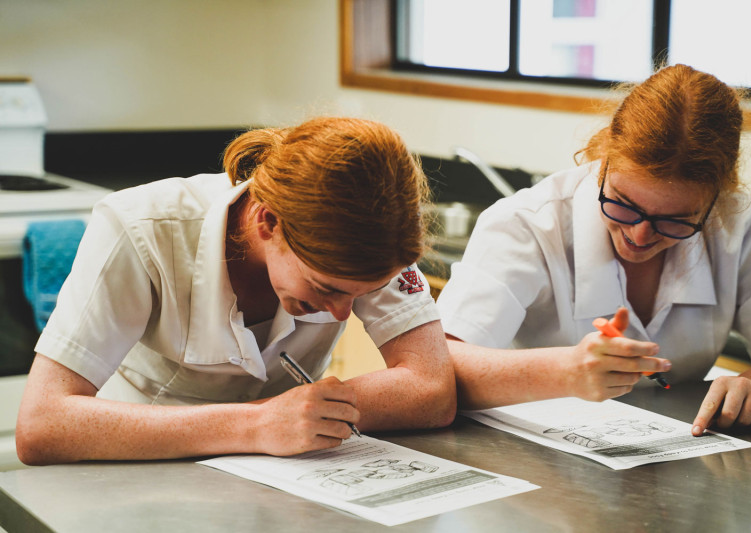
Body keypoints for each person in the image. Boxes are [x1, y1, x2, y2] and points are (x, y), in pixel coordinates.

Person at [16, 116, 456, 465]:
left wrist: (300, 417)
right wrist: (256, 424)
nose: (342, 314)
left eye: (359, 295)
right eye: (326, 288)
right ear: (268, 223)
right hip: (138, 466)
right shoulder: (139, 228)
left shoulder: (373, 238)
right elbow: (42, 424)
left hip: (286, 472)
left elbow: (432, 388)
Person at [436, 64, 751, 437]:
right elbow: (439, 366)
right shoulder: (527, 224)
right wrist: (563, 371)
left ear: (715, 200)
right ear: (605, 158)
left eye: (675, 221)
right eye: (623, 204)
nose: (640, 235)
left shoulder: (735, 225)